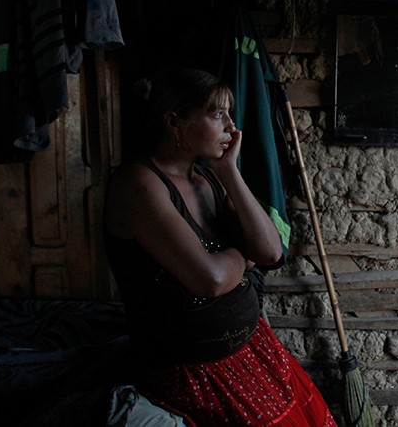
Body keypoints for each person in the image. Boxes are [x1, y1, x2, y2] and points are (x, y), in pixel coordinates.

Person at [103, 66, 337, 426]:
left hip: (251, 352)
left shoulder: (208, 175)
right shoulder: (138, 184)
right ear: (174, 123)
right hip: (193, 372)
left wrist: (230, 171)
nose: (232, 126)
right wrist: (242, 257)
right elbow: (209, 280)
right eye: (217, 114)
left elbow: (272, 252)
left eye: (229, 113)